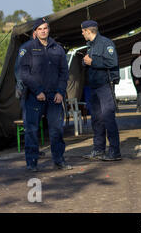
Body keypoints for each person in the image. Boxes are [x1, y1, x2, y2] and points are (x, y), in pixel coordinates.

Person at [19, 18, 71, 172]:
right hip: (34, 97)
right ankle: (32, 163)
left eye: (45, 28)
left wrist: (60, 92)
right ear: (35, 31)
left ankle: (59, 160)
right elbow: (24, 74)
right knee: (31, 130)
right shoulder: (27, 48)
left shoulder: (58, 49)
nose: (43, 31)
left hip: (54, 96)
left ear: (49, 30)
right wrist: (37, 91)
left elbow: (64, 73)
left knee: (56, 130)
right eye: (40, 29)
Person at [80, 20, 122, 161]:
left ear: (88, 31)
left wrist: (93, 62)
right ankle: (98, 149)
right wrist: (85, 61)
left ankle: (115, 152)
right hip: (94, 87)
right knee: (97, 120)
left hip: (105, 86)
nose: (82, 33)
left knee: (108, 118)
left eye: (83, 31)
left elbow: (112, 62)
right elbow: (89, 62)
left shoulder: (106, 43)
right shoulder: (90, 45)